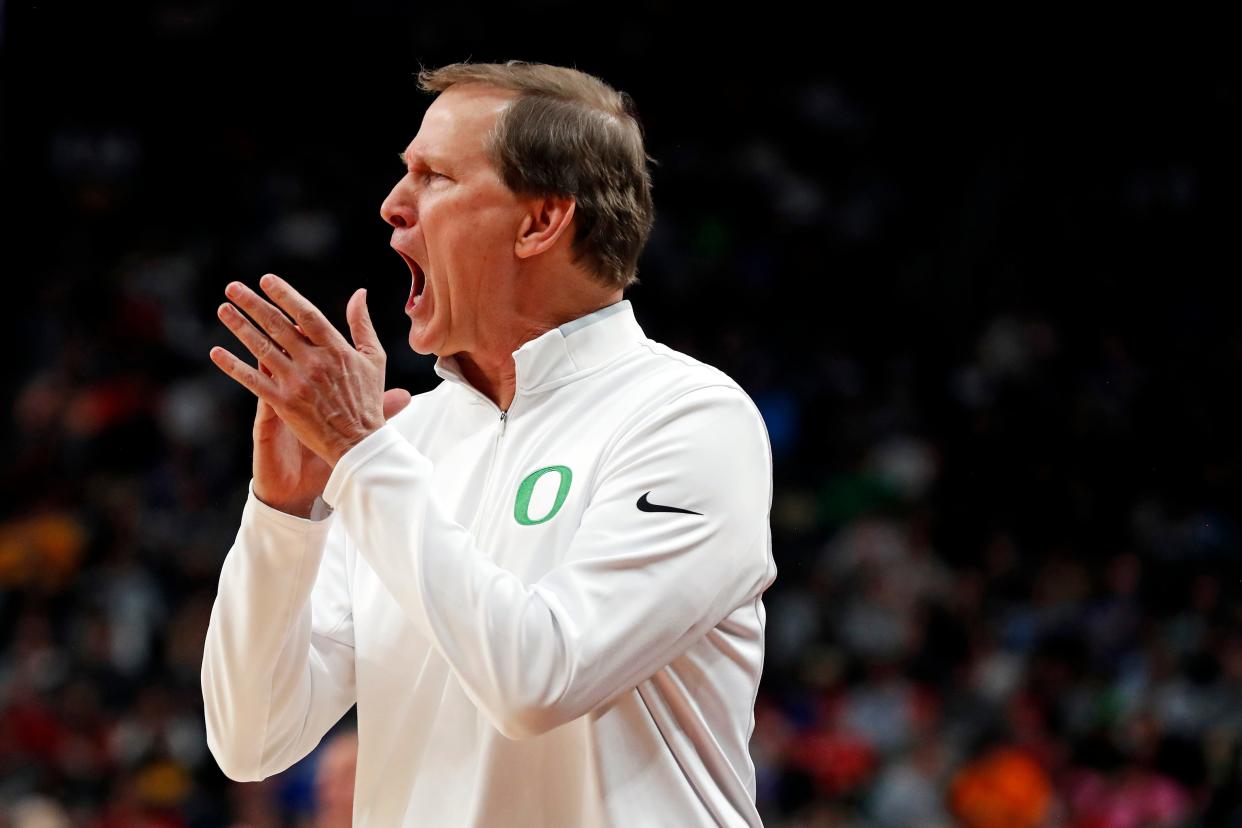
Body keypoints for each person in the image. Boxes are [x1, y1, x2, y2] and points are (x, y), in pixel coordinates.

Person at [201, 60, 777, 826]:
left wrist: (361, 457)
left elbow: (537, 682)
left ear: (540, 222)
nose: (392, 204)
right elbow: (252, 740)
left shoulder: (690, 419)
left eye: (434, 176)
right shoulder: (404, 445)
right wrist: (283, 519)